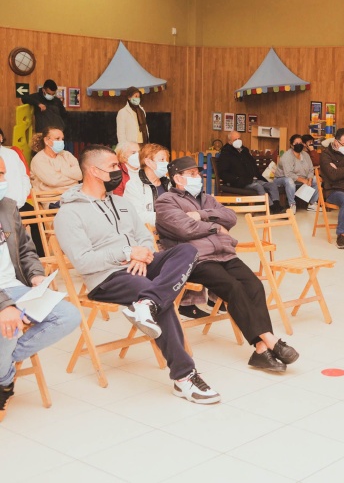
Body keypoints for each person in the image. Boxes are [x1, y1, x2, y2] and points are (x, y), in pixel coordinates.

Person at [54, 145, 220, 404]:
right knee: (159, 299)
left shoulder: (121, 203)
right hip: (106, 277)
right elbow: (83, 262)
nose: (118, 171)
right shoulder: (68, 213)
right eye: (112, 167)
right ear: (94, 171)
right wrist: (127, 252)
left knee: (186, 251)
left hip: (139, 264)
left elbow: (143, 237)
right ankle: (184, 377)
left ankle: (148, 302)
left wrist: (143, 254)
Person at [155, 156, 299, 373]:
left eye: (198, 173)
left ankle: (261, 349)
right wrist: (215, 227)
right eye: (192, 174)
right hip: (196, 259)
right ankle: (271, 340)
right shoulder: (166, 201)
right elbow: (185, 229)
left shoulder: (207, 199)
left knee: (254, 285)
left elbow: (230, 217)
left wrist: (201, 215)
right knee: (233, 288)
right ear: (177, 178)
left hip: (223, 254)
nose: (198, 177)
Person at [0, 156, 81, 422]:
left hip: (16, 287)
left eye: (3, 174)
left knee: (69, 316)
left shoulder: (7, 207)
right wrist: (4, 306)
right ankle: (4, 383)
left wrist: (35, 276)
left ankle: (4, 366)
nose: (3, 181)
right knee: (7, 327)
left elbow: (26, 249)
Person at [216, 131, 282, 212]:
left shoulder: (245, 151)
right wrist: (237, 179)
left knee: (272, 185)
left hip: (252, 179)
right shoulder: (226, 154)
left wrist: (258, 176)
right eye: (235, 139)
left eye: (239, 138)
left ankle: (277, 205)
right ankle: (271, 207)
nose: (238, 141)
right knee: (258, 186)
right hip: (239, 182)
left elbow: (253, 166)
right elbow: (223, 173)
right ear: (229, 142)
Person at [0, 129, 41, 255]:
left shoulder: (12, 154)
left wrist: (22, 197)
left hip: (18, 202)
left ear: (1, 137)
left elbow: (24, 176)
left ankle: (42, 256)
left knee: (37, 219)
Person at [124, 143, 170, 227]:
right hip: (149, 232)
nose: (166, 163)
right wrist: (169, 216)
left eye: (167, 160)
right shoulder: (133, 185)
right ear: (148, 162)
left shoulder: (169, 182)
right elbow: (136, 215)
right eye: (162, 159)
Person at [274, 134, 319, 214]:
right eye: (296, 143)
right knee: (289, 180)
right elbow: (288, 174)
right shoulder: (287, 156)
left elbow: (310, 169)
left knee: (316, 179)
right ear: (292, 145)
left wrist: (310, 179)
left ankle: (312, 204)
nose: (299, 145)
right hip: (281, 179)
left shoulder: (305, 155)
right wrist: (304, 180)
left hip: (300, 180)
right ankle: (292, 205)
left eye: (300, 143)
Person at [30, 126, 82, 194]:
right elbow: (53, 181)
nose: (61, 141)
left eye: (62, 139)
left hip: (73, 194)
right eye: (57, 139)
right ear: (46, 140)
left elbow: (80, 174)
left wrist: (62, 171)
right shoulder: (39, 159)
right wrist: (74, 180)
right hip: (50, 197)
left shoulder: (67, 155)